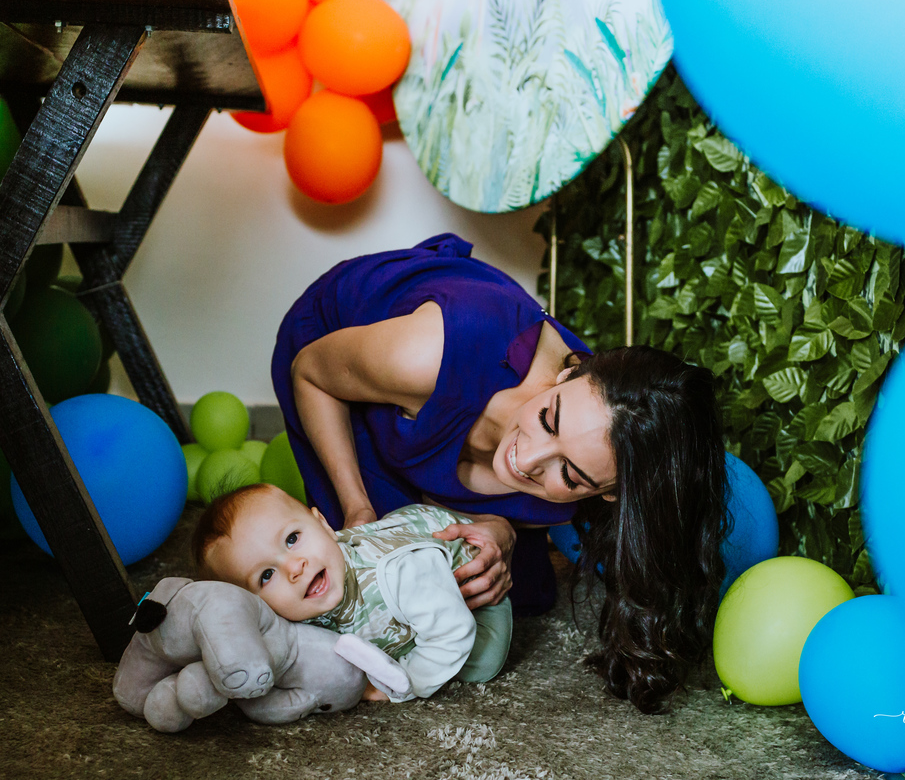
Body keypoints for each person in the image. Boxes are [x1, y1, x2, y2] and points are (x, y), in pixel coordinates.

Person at [271, 233, 729, 713]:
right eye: (549, 420)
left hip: (431, 389)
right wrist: (358, 507)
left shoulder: (598, 460)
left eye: (569, 475)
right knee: (357, 592)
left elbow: (529, 503)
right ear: (571, 372)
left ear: (609, 493)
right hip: (332, 361)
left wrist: (500, 528)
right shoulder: (428, 354)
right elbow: (311, 373)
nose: (526, 461)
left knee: (507, 592)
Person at [192, 483, 512, 702]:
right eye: (266, 574)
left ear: (323, 524)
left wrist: (405, 683)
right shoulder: (291, 612)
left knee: (481, 662)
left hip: (462, 573)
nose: (295, 567)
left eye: (292, 539)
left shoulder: (399, 572)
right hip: (405, 582)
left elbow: (452, 631)